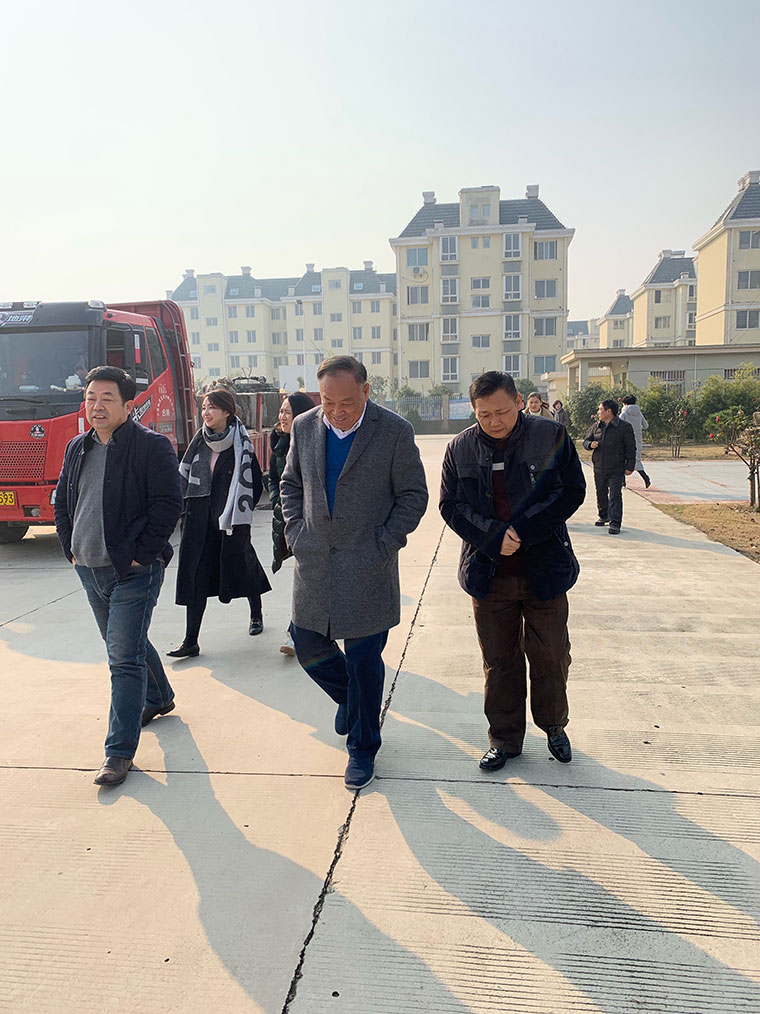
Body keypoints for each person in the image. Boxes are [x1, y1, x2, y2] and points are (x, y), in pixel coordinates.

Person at [281, 356, 428, 791]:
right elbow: (290, 484)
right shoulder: (305, 426)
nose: (336, 411)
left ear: (366, 390)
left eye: (346, 401)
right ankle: (352, 700)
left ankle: (363, 749)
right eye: (328, 402)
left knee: (364, 661)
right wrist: (296, 531)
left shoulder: (394, 431)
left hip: (368, 564)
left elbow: (414, 495)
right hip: (315, 561)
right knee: (307, 643)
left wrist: (386, 541)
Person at [440, 371, 586, 771]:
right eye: (484, 414)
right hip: (489, 575)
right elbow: (450, 506)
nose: (494, 421)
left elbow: (571, 490)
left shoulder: (550, 436)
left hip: (544, 570)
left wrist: (524, 530)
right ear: (474, 411)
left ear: (519, 402)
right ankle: (504, 739)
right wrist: (492, 536)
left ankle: (554, 726)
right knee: (499, 662)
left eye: (502, 411)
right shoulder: (460, 448)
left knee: (551, 654)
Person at [54, 365, 183, 787]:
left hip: (133, 571)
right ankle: (160, 696)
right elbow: (63, 501)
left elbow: (169, 505)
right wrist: (70, 546)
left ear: (129, 405)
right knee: (127, 642)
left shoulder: (151, 447)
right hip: (88, 568)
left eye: (106, 398)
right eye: (91, 398)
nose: (97, 406)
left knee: (122, 658)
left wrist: (141, 556)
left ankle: (118, 752)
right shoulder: (77, 447)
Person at [169, 387, 271, 657]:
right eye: (204, 407)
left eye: (212, 407)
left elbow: (254, 483)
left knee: (243, 566)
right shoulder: (199, 443)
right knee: (196, 576)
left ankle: (256, 613)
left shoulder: (241, 445)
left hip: (231, 521)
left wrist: (240, 513)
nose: (206, 412)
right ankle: (191, 641)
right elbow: (183, 478)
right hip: (199, 520)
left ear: (227, 411)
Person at [267, 391, 316, 656]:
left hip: (313, 521)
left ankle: (295, 633)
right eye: (281, 411)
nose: (282, 417)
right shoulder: (279, 441)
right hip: (289, 519)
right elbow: (274, 479)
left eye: (288, 412)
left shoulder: (314, 443)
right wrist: (279, 501)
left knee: (307, 579)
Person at [583, 399, 636, 535]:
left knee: (615, 495)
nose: (598, 412)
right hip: (599, 466)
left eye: (600, 409)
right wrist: (590, 445)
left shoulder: (624, 427)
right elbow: (586, 441)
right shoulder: (596, 426)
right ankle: (603, 516)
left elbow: (631, 448)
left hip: (616, 467)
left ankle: (615, 523)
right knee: (601, 492)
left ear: (609, 411)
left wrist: (630, 466)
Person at [620, 394, 651, 488]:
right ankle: (646, 478)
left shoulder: (624, 414)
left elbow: (618, 424)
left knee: (622, 460)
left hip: (625, 439)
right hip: (637, 439)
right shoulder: (639, 413)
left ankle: (623, 482)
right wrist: (637, 428)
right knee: (636, 460)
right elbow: (646, 426)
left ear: (625, 404)